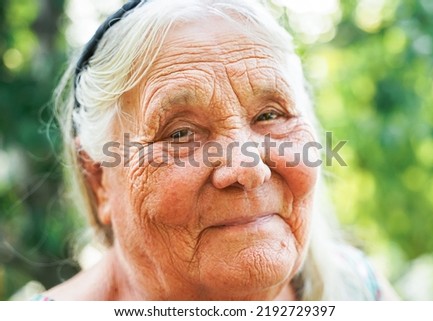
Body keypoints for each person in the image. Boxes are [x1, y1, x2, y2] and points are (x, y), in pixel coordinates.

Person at [41, 0, 396, 300]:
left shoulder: (361, 291)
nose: (249, 168)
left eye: (270, 114)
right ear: (99, 179)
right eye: (180, 134)